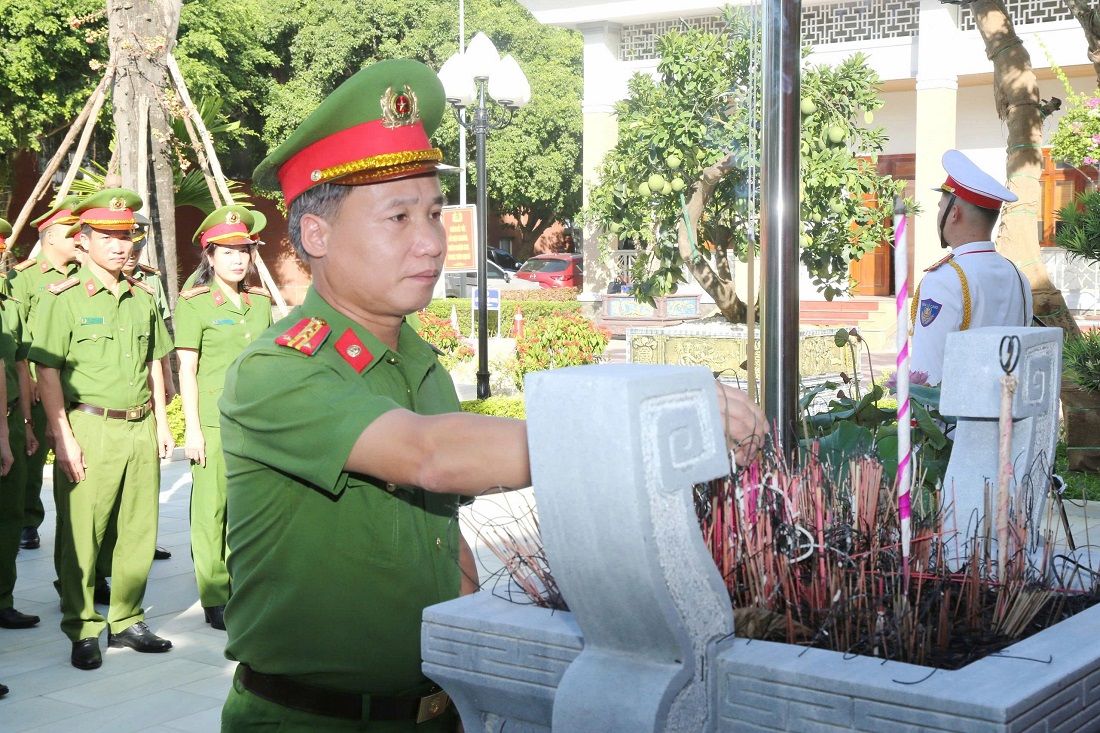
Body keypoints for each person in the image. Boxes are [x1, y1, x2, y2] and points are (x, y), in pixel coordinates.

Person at [218, 59, 767, 732]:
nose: (430, 240)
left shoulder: (414, 360)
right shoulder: (278, 371)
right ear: (316, 235)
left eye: (434, 212)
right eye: (398, 216)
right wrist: (638, 431)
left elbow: (440, 537)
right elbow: (428, 457)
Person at [28, 188, 176, 670]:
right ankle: (84, 626)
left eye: (126, 236)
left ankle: (127, 618)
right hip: (89, 425)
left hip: (139, 425)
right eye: (108, 236)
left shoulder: (142, 297)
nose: (119, 245)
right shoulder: (62, 299)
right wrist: (61, 435)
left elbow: (157, 360)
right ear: (84, 241)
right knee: (82, 534)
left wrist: (159, 423)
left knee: (138, 529)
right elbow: (47, 371)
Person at [175, 205, 272, 631]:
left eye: (244, 250)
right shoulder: (193, 303)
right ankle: (214, 593)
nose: (238, 258)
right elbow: (187, 369)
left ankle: (243, 584)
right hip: (215, 422)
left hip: (255, 421)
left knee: (248, 508)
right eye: (228, 250)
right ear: (209, 256)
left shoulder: (260, 302)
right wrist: (191, 429)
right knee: (211, 509)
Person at [909, 150, 1033, 385]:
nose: (938, 216)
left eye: (940, 207)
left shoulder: (944, 279)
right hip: (1005, 416)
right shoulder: (1017, 276)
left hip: (956, 420)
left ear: (954, 213)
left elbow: (926, 375)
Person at [7, 196, 82, 553]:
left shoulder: (85, 274)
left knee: (78, 457)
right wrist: (30, 379)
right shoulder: (24, 277)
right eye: (73, 233)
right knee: (30, 457)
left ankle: (80, 525)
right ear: (50, 237)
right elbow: (17, 336)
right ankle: (27, 520)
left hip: (79, 384)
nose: (80, 239)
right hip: (37, 382)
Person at [0, 217, 39, 632]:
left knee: (9, 517)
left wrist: (26, 424)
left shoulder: (8, 306)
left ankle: (3, 599)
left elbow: (19, 363)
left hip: (10, 417)